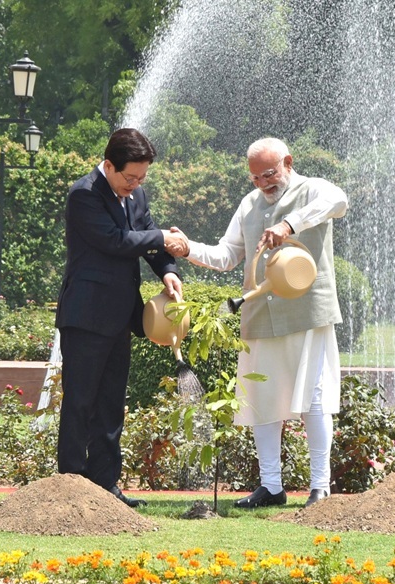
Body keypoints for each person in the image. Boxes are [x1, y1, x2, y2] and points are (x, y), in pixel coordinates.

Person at [171, 137, 349, 508]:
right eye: (255, 178)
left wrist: (289, 224)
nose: (263, 183)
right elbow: (227, 254)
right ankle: (271, 486)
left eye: (269, 173)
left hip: (307, 312)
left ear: (288, 161)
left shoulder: (312, 188)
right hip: (258, 314)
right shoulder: (249, 204)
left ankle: (321, 487)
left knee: (313, 398)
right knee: (261, 400)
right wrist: (188, 249)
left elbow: (339, 201)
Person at [55, 128, 189, 508]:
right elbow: (116, 241)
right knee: (81, 400)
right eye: (129, 177)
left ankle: (106, 487)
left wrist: (168, 271)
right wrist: (162, 237)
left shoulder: (137, 195)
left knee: (112, 403)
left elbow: (146, 236)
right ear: (109, 165)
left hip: (119, 316)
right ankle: (71, 487)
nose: (135, 185)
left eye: (141, 178)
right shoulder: (84, 194)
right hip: (85, 315)